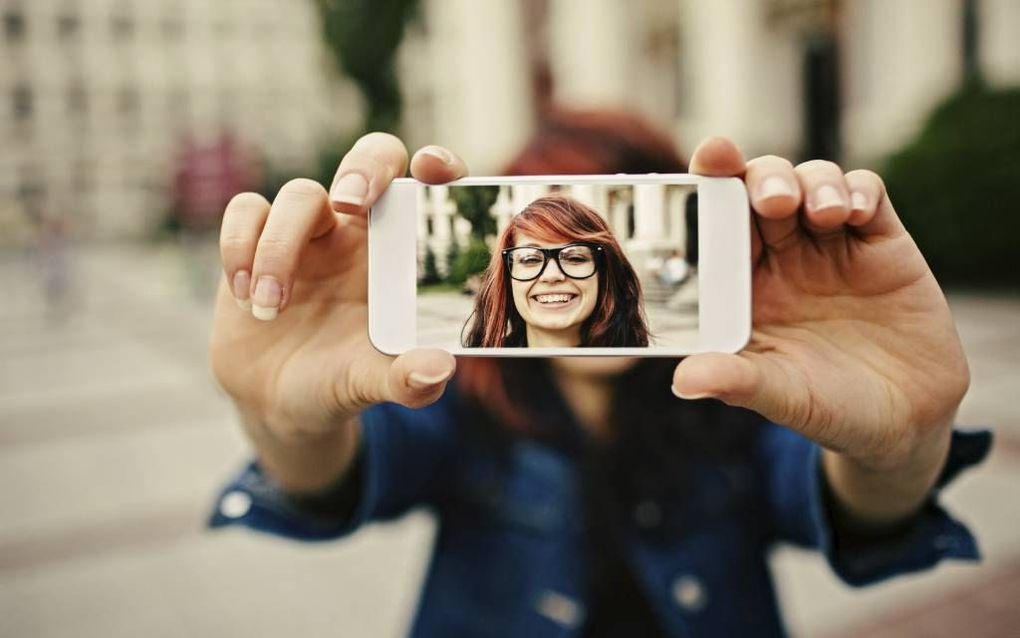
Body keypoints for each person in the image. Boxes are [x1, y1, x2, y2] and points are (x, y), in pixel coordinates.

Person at [208, 109, 991, 637]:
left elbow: (849, 501)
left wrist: (905, 441)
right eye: (534, 252)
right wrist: (277, 417)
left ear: (618, 264)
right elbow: (337, 477)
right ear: (504, 274)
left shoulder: (738, 391)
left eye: (583, 247)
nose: (558, 274)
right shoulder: (456, 389)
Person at [463, 194, 649, 348]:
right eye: (530, 259)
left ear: (605, 275)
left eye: (575, 258)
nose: (552, 276)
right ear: (508, 279)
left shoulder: (651, 377)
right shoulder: (472, 381)